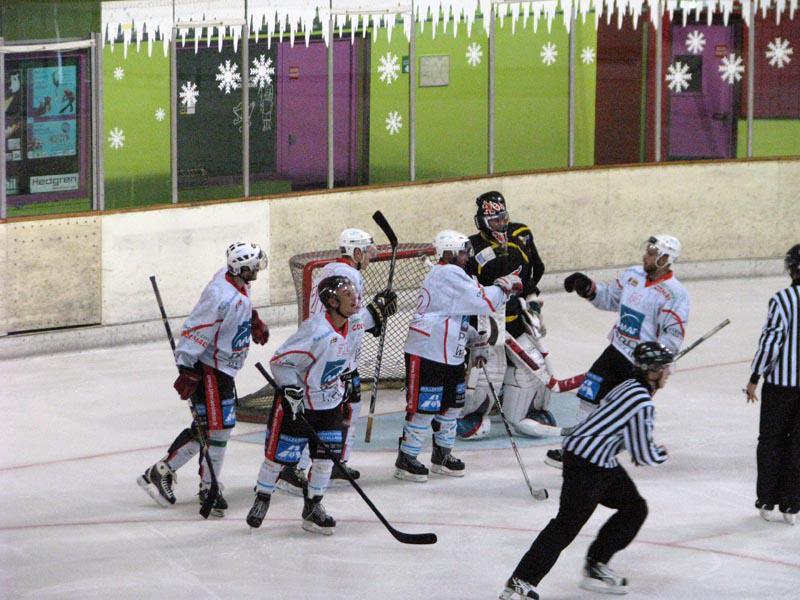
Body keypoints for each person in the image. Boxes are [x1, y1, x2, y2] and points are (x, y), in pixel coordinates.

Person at [499, 341, 673, 599]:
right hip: (589, 465)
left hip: (596, 459)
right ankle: (521, 581)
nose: (669, 372)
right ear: (653, 371)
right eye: (666, 368)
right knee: (566, 525)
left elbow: (619, 427)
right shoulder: (642, 403)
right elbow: (643, 455)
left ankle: (596, 565)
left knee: (634, 507)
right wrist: (661, 453)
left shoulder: (628, 385)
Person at [246, 275, 396, 535]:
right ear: (332, 302)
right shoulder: (316, 331)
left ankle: (313, 507)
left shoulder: (354, 323)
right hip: (300, 406)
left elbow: (365, 321)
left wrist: (379, 308)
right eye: (347, 294)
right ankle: (263, 496)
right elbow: (280, 361)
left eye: (354, 292)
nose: (355, 297)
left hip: (330, 405)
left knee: (326, 461)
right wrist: (290, 390)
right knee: (279, 458)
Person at [137, 242, 269, 516]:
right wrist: (186, 367)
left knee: (211, 428)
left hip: (224, 369)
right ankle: (209, 487)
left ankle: (162, 471)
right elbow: (196, 328)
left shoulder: (238, 282)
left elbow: (238, 309)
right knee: (219, 430)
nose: (258, 268)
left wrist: (252, 320)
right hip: (210, 369)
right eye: (254, 265)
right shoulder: (219, 295)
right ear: (242, 268)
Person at [545, 234, 690, 469]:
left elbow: (672, 336)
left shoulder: (675, 294)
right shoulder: (633, 274)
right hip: (616, 350)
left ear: (665, 258)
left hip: (640, 365)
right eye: (647, 250)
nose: (645, 255)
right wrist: (588, 288)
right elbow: (609, 298)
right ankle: (573, 450)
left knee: (619, 412)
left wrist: (657, 361)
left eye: (652, 253)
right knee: (588, 397)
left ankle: (598, 455)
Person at [395, 230, 520, 481]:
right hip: (428, 351)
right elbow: (483, 301)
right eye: (463, 252)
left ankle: (442, 455)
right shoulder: (447, 273)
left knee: (452, 405)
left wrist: (475, 338)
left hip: (449, 352)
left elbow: (454, 314)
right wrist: (504, 286)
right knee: (424, 408)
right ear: (449, 253)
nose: (467, 257)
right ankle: (406, 458)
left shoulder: (454, 274)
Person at [277, 228, 389, 496]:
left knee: (347, 408)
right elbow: (342, 318)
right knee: (323, 414)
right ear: (356, 252)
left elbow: (349, 318)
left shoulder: (335, 270)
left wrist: (370, 320)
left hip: (334, 353)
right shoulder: (347, 275)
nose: (370, 257)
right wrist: (373, 316)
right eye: (367, 252)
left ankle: (335, 461)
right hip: (333, 356)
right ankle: (294, 468)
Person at [458, 190, 547, 440]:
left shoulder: (521, 235)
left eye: (503, 218)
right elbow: (466, 291)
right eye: (494, 220)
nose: (501, 224)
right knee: (488, 373)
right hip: (489, 325)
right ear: (482, 222)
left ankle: (528, 409)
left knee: (537, 366)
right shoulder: (470, 248)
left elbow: (531, 277)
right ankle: (470, 414)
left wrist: (533, 306)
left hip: (517, 319)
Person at [745, 243, 800, 526]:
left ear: (791, 269)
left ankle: (767, 499)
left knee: (770, 441)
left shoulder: (782, 299)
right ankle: (792, 503)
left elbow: (771, 342)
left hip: (780, 386)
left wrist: (755, 377)